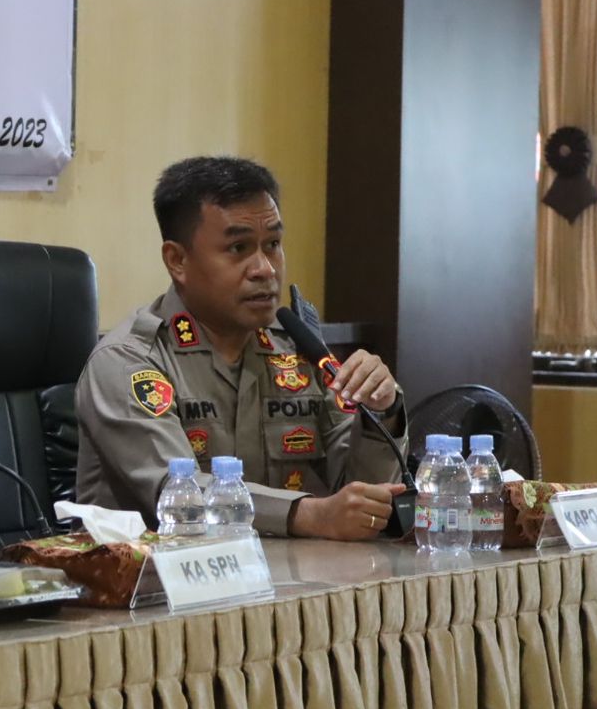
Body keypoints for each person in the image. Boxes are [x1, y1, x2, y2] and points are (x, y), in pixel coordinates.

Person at [75, 156, 409, 539]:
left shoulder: (299, 349)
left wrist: (381, 414)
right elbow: (180, 495)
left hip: (297, 572)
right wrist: (309, 515)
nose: (265, 268)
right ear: (177, 260)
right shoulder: (129, 362)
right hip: (154, 574)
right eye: (238, 248)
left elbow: (359, 499)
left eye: (273, 244)